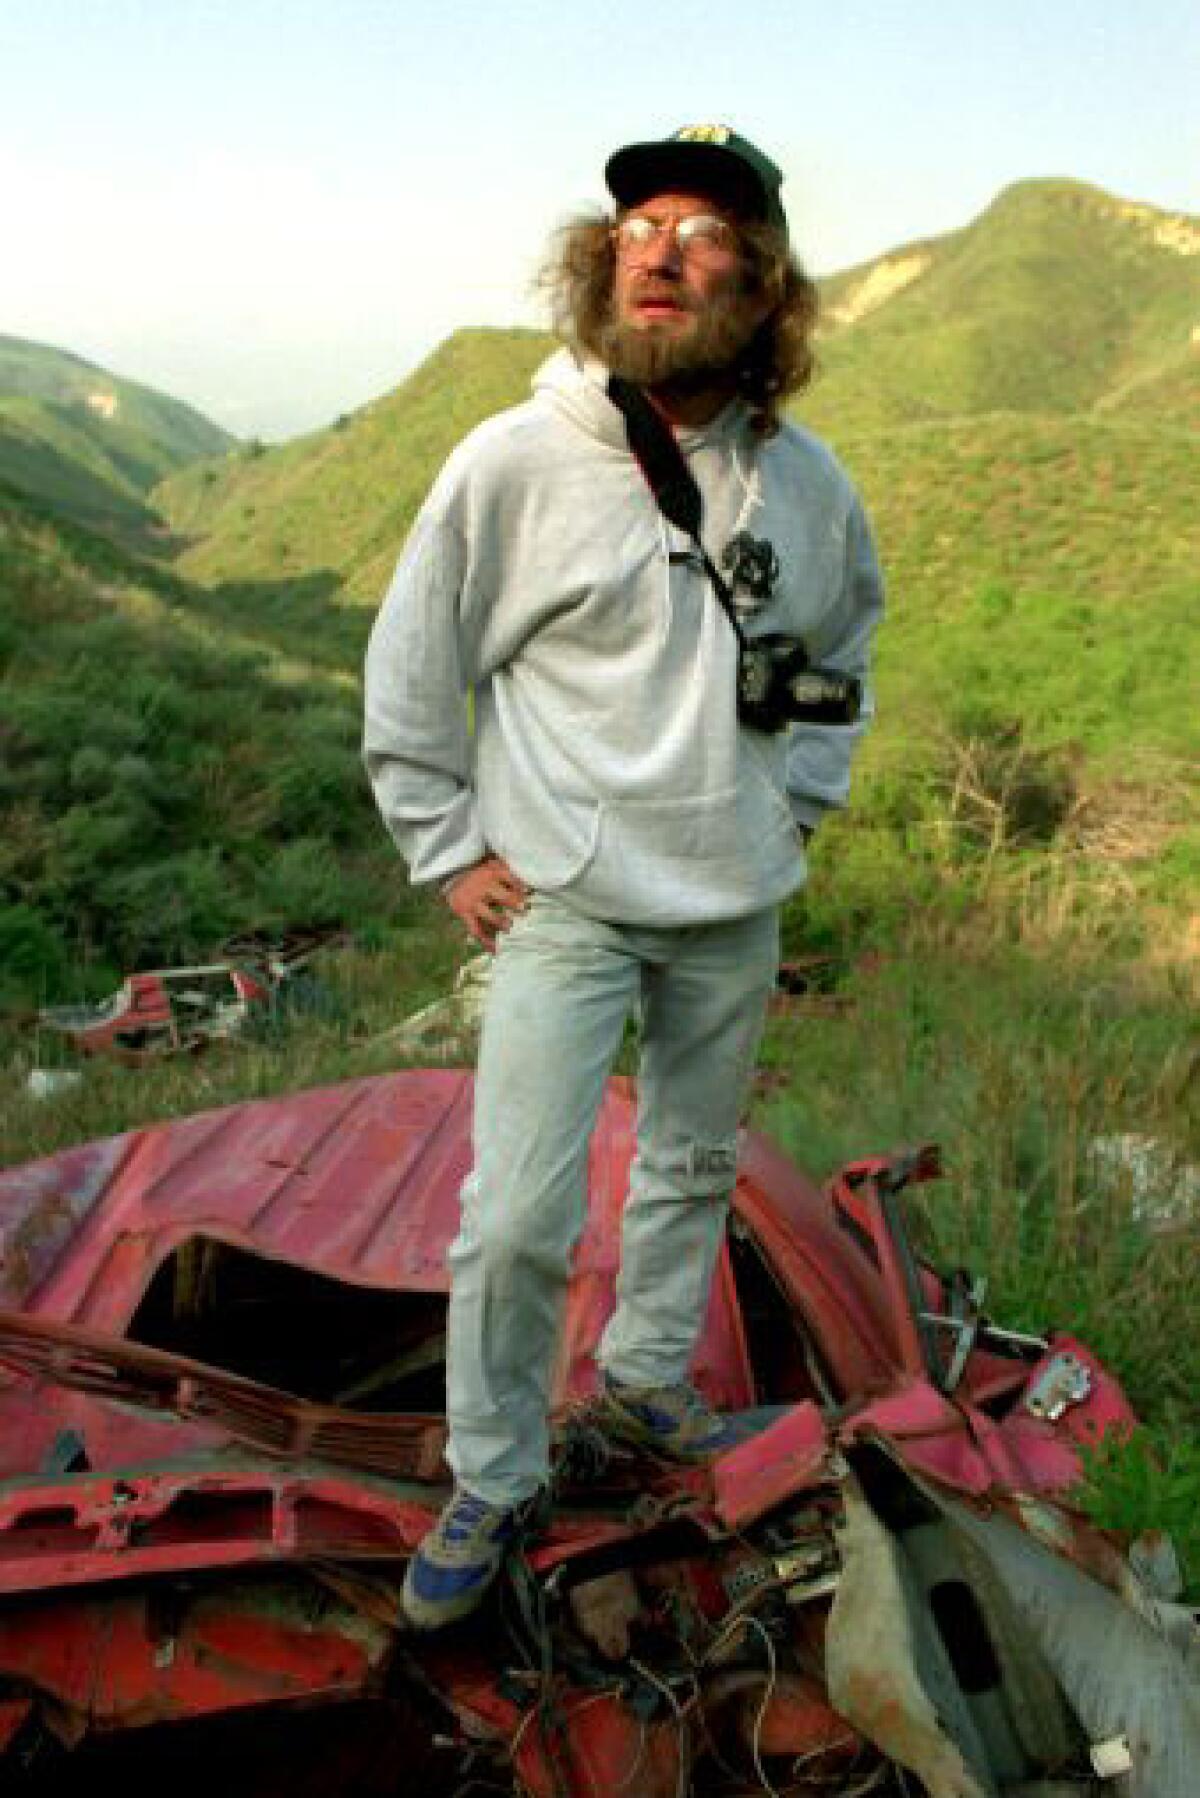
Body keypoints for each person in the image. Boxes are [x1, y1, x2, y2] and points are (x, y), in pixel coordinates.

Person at [363, 125, 883, 1630]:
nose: (656, 248)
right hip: (569, 898)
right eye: (635, 224)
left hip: (731, 893)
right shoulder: (516, 460)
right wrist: (447, 842)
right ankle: (496, 1466)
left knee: (690, 1169)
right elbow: (414, 660)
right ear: (601, 264)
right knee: (517, 1213)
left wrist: (799, 809)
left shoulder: (806, 484)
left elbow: (841, 649)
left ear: (762, 283)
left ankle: (650, 1388)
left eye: (701, 230)